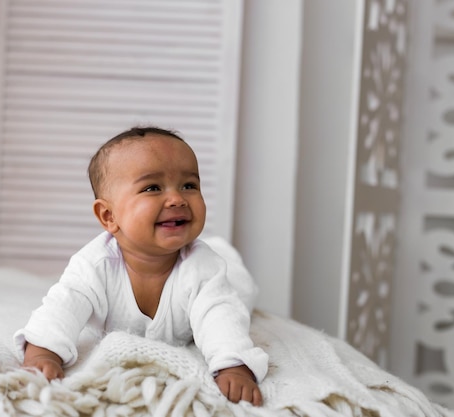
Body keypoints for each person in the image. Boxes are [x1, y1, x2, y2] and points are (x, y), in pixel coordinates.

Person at [14, 126, 269, 405]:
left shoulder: (204, 268)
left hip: (228, 278)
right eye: (152, 188)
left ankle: (224, 250)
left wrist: (233, 366)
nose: (177, 198)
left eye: (189, 185)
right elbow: (60, 308)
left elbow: (220, 316)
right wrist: (43, 353)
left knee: (237, 294)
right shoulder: (94, 265)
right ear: (109, 215)